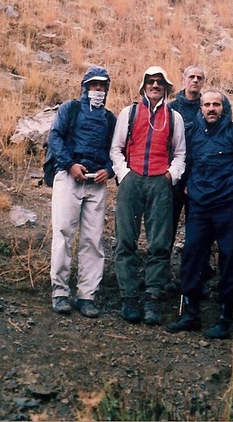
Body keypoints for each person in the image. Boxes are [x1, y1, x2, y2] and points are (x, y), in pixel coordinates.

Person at [166, 89, 233, 339]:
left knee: (230, 257)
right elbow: (181, 161)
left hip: (229, 206)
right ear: (200, 108)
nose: (211, 109)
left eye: (216, 105)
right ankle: (191, 313)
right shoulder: (190, 133)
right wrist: (185, 185)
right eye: (207, 104)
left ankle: (225, 316)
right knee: (192, 254)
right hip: (199, 206)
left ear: (224, 108)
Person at [110, 65, 186, 326]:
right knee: (125, 240)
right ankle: (129, 297)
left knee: (159, 243)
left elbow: (180, 154)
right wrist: (124, 173)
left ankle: (153, 297)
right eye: (151, 82)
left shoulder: (174, 118)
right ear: (143, 86)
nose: (155, 86)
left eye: (160, 83)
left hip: (160, 184)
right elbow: (116, 148)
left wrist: (170, 175)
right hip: (132, 181)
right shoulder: (128, 113)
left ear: (166, 88)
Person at [48, 65, 116, 318]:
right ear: (85, 86)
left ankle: (87, 295)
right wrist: (69, 164)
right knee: (63, 233)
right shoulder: (70, 108)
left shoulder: (110, 118)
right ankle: (60, 292)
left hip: (96, 183)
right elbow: (55, 137)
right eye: (94, 85)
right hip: (69, 178)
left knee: (93, 239)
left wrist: (108, 171)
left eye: (102, 85)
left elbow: (116, 148)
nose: (98, 90)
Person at [167, 65, 205, 250]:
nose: (195, 80)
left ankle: (196, 269)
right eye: (191, 77)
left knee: (197, 225)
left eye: (199, 78)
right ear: (184, 79)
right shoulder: (171, 108)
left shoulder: (207, 108)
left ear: (203, 82)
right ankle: (160, 268)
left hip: (198, 176)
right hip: (173, 175)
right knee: (167, 224)